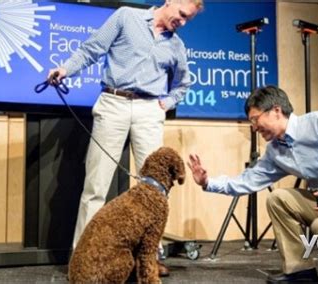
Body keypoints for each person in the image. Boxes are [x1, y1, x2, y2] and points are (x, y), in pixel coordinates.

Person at [47, 0, 203, 275]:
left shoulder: (176, 45)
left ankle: (148, 260)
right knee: (95, 187)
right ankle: (82, 259)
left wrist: (165, 104)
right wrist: (66, 70)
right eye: (181, 14)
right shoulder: (127, 17)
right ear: (169, 2)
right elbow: (92, 48)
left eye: (188, 19)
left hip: (149, 110)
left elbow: (183, 82)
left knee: (155, 191)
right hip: (114, 102)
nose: (182, 22)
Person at [187, 85, 318, 283]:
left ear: (276, 111)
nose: (254, 128)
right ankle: (300, 273)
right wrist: (207, 182)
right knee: (277, 198)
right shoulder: (276, 151)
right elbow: (247, 180)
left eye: (255, 119)